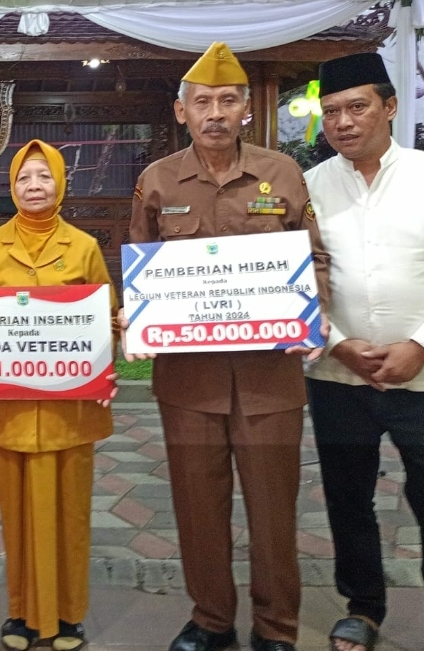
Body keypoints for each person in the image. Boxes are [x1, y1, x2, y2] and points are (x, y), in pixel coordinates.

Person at [125, 43, 329, 651]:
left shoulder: (283, 173)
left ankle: (276, 629)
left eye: (228, 100)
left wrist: (308, 309)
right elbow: (139, 265)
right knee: (197, 507)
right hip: (188, 384)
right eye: (203, 102)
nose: (215, 112)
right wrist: (138, 317)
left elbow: (313, 258)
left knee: (272, 511)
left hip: (269, 380)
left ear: (246, 109)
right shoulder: (156, 180)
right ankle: (212, 619)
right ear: (181, 111)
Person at [304, 53, 424, 651]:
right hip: (338, 377)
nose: (343, 122)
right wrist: (338, 345)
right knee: (347, 498)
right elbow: (293, 282)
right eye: (331, 113)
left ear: (389, 106)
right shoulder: (309, 187)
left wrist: (421, 346)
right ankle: (363, 608)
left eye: (356, 107)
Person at [0, 139, 118, 651]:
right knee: (16, 514)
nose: (34, 186)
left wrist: (106, 366)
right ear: (11, 187)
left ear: (60, 182)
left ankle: (69, 615)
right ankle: (21, 615)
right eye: (24, 178)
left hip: (68, 410)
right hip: (8, 410)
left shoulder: (84, 247)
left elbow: (104, 322)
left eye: (43, 176)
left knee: (70, 514)